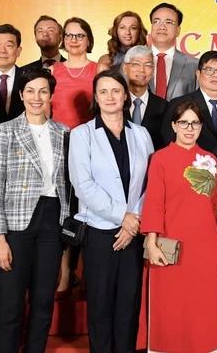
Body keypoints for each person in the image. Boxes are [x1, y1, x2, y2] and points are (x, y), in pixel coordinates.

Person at [0, 68, 70, 353]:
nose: (37, 97)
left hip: (52, 220)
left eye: (43, 91)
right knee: (10, 303)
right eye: (31, 91)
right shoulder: (5, 130)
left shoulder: (63, 132)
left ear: (51, 95)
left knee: (43, 300)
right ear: (20, 94)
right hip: (15, 224)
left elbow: (67, 184)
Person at [69, 70, 154, 353]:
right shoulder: (82, 135)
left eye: (116, 91)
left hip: (134, 233)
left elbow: (150, 184)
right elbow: (83, 186)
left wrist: (134, 222)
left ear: (126, 96)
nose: (110, 97)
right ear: (95, 97)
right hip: (99, 232)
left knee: (129, 303)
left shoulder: (141, 134)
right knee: (101, 304)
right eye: (103, 91)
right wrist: (123, 217)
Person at [142, 100, 217, 353]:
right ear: (174, 126)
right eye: (183, 123)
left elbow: (215, 204)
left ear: (201, 127)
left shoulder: (210, 160)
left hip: (206, 243)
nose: (189, 128)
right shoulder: (161, 158)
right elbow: (154, 202)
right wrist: (150, 240)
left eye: (195, 123)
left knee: (205, 304)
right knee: (170, 304)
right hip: (170, 243)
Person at [49, 17, 98, 298]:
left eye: (80, 35)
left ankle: (89, 272)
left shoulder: (99, 69)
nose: (74, 40)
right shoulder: (53, 70)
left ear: (89, 40)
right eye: (69, 35)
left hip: (91, 149)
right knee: (65, 212)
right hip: (59, 149)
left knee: (90, 211)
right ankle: (66, 273)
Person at [161, 51, 217, 172]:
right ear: (198, 74)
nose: (215, 75)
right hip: (192, 175)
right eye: (209, 70)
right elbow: (168, 142)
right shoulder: (178, 105)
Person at [148, 3, 198, 100]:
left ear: (178, 31)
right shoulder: (133, 60)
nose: (162, 26)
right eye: (156, 21)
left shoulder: (194, 65)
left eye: (169, 22)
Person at [124, 45, 169, 150]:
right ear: (125, 68)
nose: (142, 70)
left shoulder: (164, 107)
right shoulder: (115, 104)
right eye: (136, 64)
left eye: (148, 65)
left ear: (153, 71)